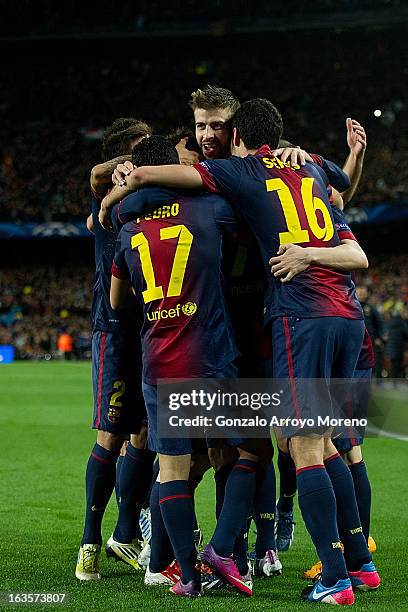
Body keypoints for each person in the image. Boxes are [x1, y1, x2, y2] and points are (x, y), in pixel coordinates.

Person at [101, 97, 381, 605]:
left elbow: (156, 185)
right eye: (199, 126)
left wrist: (129, 181)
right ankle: (353, 562)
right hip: (344, 313)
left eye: (216, 127)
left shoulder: (237, 175)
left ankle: (324, 573)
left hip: (287, 320)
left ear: (236, 134)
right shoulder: (309, 166)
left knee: (295, 446)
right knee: (328, 444)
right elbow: (342, 203)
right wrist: (351, 160)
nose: (207, 135)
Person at [110, 135, 240, 598]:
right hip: (213, 354)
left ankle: (186, 576)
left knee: (171, 470)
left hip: (162, 360)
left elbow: (116, 300)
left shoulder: (126, 230)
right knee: (236, 455)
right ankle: (234, 554)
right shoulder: (209, 210)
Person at [76, 118, 155, 581]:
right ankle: (89, 539)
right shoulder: (105, 189)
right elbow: (93, 174)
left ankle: (125, 535)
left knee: (144, 433)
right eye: (139, 150)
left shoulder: (144, 196)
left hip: (152, 330)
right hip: (116, 332)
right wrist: (127, 165)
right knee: (110, 433)